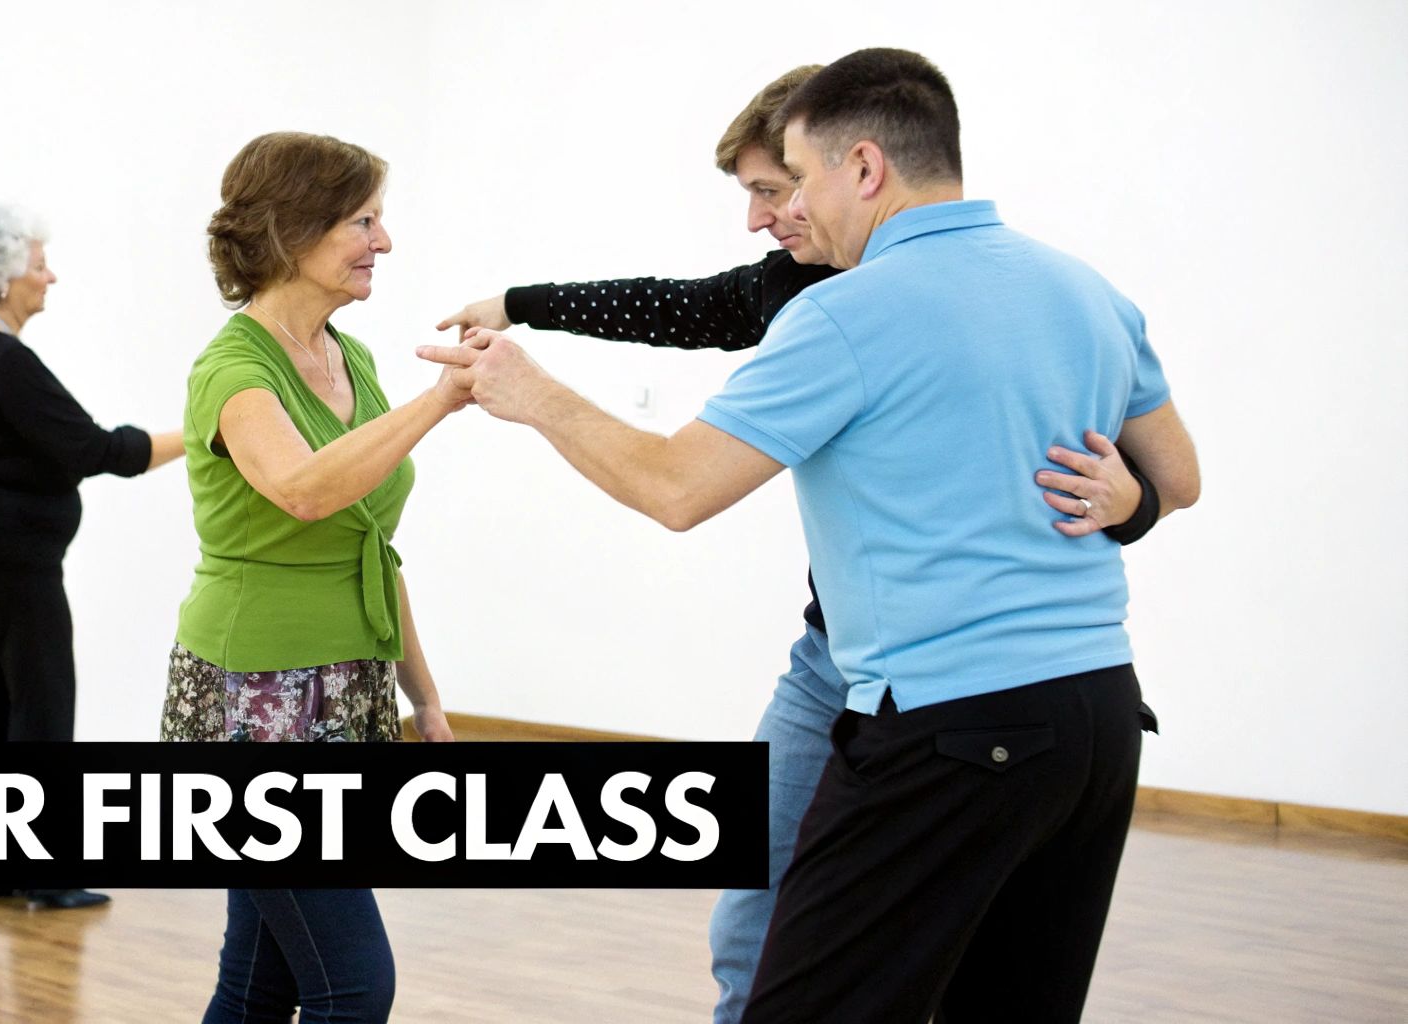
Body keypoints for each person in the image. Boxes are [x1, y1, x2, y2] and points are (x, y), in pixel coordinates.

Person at [421, 46, 1200, 1023]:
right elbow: (1175, 478)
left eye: (791, 179)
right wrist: (1125, 502)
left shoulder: (844, 313)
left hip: (950, 723)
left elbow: (675, 488)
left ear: (862, 168)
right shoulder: (1084, 289)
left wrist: (532, 394)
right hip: (1096, 715)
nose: (777, 215)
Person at [160, 131, 463, 1024]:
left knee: (261, 982)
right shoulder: (232, 370)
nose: (385, 241)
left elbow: (369, 541)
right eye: (363, 219)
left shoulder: (350, 358)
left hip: (346, 688)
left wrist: (426, 697)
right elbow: (300, 491)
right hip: (253, 701)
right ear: (295, 230)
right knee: (352, 984)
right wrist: (437, 402)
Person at [0, 205, 184, 909]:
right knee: (41, 700)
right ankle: (46, 873)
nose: (50, 277)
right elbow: (97, 451)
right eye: (39, 265)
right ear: (4, 276)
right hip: (7, 555)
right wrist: (202, 432)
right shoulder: (3, 360)